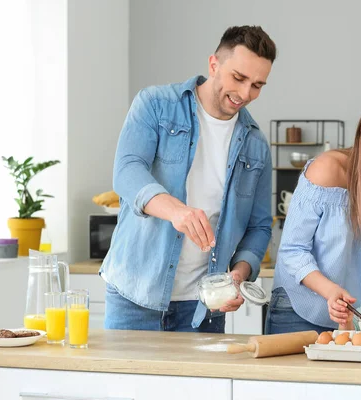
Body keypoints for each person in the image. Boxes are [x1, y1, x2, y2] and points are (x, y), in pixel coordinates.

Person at [100, 26, 277, 332]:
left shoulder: (256, 144)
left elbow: (260, 226)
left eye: (258, 85)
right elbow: (127, 171)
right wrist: (177, 211)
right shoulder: (155, 104)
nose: (246, 94)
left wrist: (239, 274)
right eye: (239, 78)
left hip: (203, 308)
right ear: (214, 64)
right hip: (134, 295)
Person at [266, 90, 361, 334]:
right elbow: (292, 251)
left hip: (352, 316)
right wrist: (330, 291)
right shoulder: (327, 169)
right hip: (297, 310)